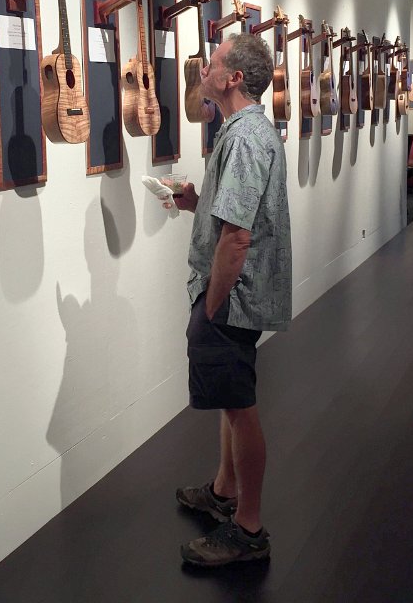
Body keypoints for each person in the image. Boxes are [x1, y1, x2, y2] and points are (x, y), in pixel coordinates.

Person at [170, 32, 292, 567]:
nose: (205, 65)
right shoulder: (245, 130)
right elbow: (233, 213)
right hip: (234, 295)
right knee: (229, 395)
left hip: (231, 298)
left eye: (214, 61)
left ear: (233, 78)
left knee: (240, 408)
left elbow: (237, 237)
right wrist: (197, 203)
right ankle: (223, 492)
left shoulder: (244, 138)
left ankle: (248, 528)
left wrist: (213, 307)